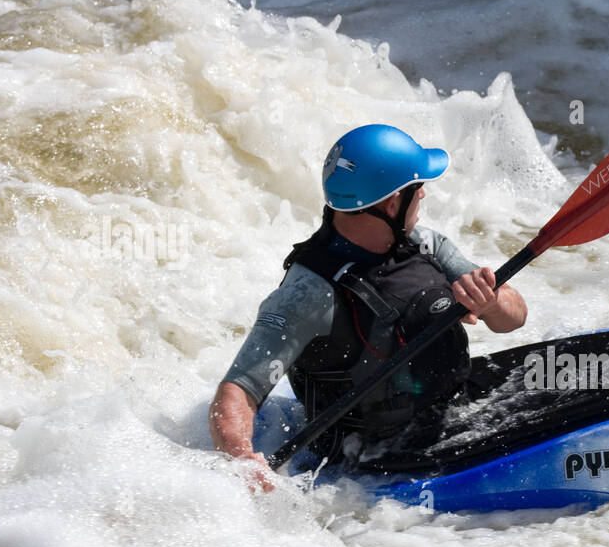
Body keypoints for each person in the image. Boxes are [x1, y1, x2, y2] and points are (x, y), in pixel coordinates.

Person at [209, 124, 527, 490]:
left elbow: (514, 319)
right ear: (392, 203)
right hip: (369, 460)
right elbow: (237, 391)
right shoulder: (308, 292)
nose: (423, 193)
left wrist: (491, 301)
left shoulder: (425, 245)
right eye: (416, 188)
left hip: (454, 409)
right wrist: (241, 461)